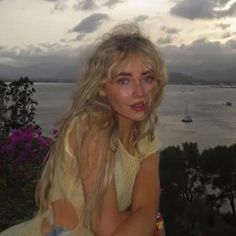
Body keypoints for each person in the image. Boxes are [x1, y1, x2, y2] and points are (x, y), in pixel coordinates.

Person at [0, 23, 168, 236]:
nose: (140, 92)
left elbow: (145, 211)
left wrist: (147, 218)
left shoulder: (146, 141)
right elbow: (108, 228)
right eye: (124, 80)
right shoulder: (91, 127)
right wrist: (147, 220)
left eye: (147, 78)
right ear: (101, 87)